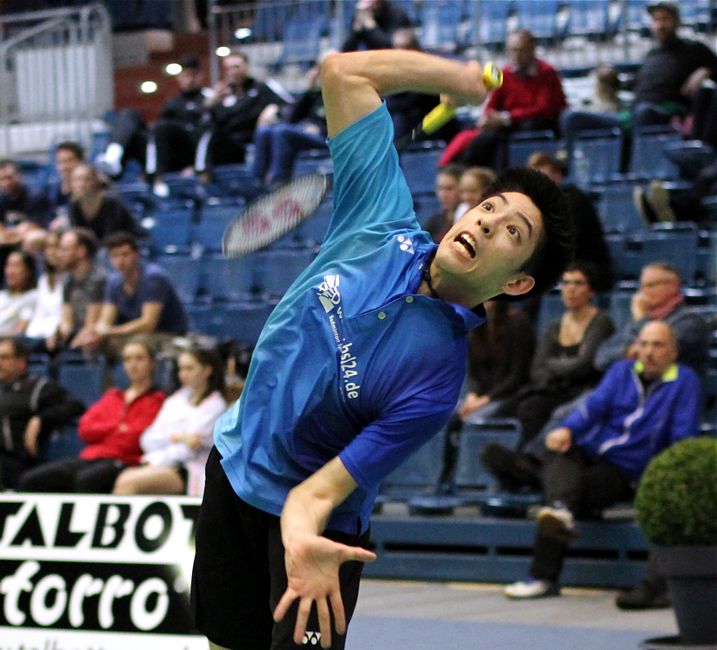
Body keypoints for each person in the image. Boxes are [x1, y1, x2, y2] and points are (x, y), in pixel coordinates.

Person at [191, 48, 575, 650]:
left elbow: (319, 491)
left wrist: (298, 537)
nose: (485, 223)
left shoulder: (433, 383)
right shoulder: (379, 219)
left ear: (517, 282)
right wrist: (457, 80)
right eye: (490, 208)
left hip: (319, 528)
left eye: (511, 233)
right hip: (234, 465)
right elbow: (343, 72)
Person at [503, 320, 702, 599]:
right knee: (559, 454)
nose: (649, 352)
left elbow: (683, 435)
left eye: (658, 345)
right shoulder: (622, 371)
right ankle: (560, 508)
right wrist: (567, 429)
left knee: (560, 491)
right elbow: (593, 408)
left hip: (625, 470)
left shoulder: (684, 381)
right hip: (589, 454)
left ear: (673, 352)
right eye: (644, 344)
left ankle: (542, 573)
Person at [18, 337, 165, 493]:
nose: (133, 365)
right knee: (32, 479)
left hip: (125, 461)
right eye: (128, 359)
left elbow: (136, 439)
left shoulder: (158, 400)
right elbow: (85, 429)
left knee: (87, 480)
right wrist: (117, 427)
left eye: (139, 359)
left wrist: (107, 431)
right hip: (89, 457)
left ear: (152, 363)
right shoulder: (112, 396)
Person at [560, 2, 717, 148]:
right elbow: (637, 85)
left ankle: (634, 169)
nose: (660, 25)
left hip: (667, 115)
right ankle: (565, 169)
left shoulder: (694, 49)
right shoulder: (651, 55)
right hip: (632, 114)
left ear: (677, 21)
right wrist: (611, 79)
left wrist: (705, 71)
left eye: (665, 19)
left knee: (643, 112)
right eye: (656, 20)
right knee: (572, 118)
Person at [499, 262, 614, 446]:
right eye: (566, 283)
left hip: (582, 393)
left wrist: (552, 364)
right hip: (552, 390)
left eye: (578, 283)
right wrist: (563, 365)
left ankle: (536, 459)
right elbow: (537, 369)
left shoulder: (601, 322)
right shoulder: (554, 325)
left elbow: (583, 365)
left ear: (591, 290)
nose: (570, 290)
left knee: (532, 408)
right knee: (505, 410)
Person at [439, 30, 566, 169]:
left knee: (522, 127)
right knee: (486, 135)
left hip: (536, 123)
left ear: (532, 49)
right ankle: (463, 170)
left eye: (520, 50)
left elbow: (544, 108)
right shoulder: (504, 74)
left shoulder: (547, 73)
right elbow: (492, 105)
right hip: (508, 125)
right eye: (512, 50)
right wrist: (488, 118)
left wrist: (507, 118)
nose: (516, 55)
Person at [113, 346, 227, 497]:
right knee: (123, 478)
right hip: (161, 463)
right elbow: (147, 439)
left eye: (189, 368)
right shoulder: (174, 400)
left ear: (207, 370)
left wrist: (161, 453)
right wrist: (178, 437)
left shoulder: (216, 405)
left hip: (191, 470)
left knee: (129, 483)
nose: (183, 374)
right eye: (181, 369)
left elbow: (189, 450)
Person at [96, 55, 210, 196]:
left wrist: (195, 165)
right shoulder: (172, 103)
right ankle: (113, 159)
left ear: (200, 76)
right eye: (183, 76)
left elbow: (208, 134)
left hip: (187, 152)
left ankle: (155, 177)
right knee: (129, 115)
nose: (186, 80)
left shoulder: (209, 98)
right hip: (163, 151)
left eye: (191, 75)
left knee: (161, 129)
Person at [80, 231, 188, 357]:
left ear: (137, 255)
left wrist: (111, 331)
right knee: (94, 346)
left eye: (125, 254)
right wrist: (95, 334)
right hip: (134, 335)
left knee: (137, 346)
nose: (120, 261)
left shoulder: (153, 278)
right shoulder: (113, 282)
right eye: (115, 256)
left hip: (167, 334)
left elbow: (148, 324)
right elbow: (105, 320)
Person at [595, 262, 711, 375]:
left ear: (673, 286)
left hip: (674, 389)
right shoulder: (640, 319)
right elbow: (601, 358)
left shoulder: (690, 322)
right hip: (635, 387)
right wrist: (627, 352)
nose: (643, 292)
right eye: (642, 286)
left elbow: (656, 356)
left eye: (651, 285)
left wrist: (640, 320)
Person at [0, 336, 84, 490]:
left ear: (21, 361)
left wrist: (40, 419)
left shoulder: (38, 387)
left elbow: (75, 405)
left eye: (4, 357)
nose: (0, 363)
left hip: (19, 460)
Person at [528, 152, 613, 291]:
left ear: (558, 176)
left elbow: (568, 241)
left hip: (587, 265)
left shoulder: (573, 199)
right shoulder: (538, 205)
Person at [196, 49, 288, 174]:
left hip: (256, 142)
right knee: (211, 133)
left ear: (247, 66)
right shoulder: (222, 94)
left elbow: (288, 105)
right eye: (228, 68)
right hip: (231, 146)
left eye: (236, 67)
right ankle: (202, 173)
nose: (232, 72)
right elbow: (206, 124)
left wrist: (274, 108)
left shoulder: (261, 87)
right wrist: (209, 106)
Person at [456, 299, 535, 423]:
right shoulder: (476, 325)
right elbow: (473, 373)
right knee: (445, 414)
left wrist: (484, 400)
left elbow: (517, 376)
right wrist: (472, 396)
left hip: (511, 395)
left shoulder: (518, 323)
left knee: (472, 419)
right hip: (482, 395)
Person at [251, 63, 327, 187]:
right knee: (264, 131)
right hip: (304, 132)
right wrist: (309, 88)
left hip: (326, 138)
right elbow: (292, 118)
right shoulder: (314, 94)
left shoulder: (339, 93)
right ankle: (256, 182)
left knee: (282, 131)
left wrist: (320, 128)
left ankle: (279, 182)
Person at [56, 228, 106, 350]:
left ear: (81, 251)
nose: (59, 254)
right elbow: (66, 319)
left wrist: (74, 343)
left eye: (64, 249)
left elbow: (92, 322)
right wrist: (59, 334)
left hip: (96, 334)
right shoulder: (67, 280)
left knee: (87, 345)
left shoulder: (98, 278)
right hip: (77, 333)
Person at [67, 163, 141, 240]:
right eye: (77, 180)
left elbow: (112, 234)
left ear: (95, 181)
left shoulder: (110, 201)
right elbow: (79, 234)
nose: (81, 184)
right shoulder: (74, 204)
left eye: (87, 179)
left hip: (125, 243)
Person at [24, 230, 66, 351]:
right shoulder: (43, 279)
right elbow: (40, 313)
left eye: (57, 247)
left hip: (59, 336)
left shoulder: (72, 279)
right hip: (39, 334)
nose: (51, 252)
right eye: (48, 247)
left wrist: (53, 332)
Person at [340, 0, 411, 52]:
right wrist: (356, 30)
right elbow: (346, 51)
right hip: (373, 63)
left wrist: (371, 27)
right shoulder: (363, 13)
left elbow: (390, 48)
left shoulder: (397, 14)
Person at [0, 160, 50, 232]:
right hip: (10, 235)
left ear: (20, 175)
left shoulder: (35, 196)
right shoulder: (1, 199)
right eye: (2, 179)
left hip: (34, 234)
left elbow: (40, 223)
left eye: (9, 177)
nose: (6, 183)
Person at [0, 251, 38, 336]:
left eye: (16, 266)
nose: (10, 271)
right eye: (8, 265)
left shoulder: (32, 297)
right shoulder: (2, 295)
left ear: (28, 271)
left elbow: (20, 331)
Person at [423, 164, 463, 243]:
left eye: (449, 188)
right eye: (440, 188)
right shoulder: (433, 222)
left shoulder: (469, 219)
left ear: (462, 189)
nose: (443, 195)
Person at [47, 141, 84, 222]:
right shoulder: (52, 191)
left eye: (69, 161)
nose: (64, 166)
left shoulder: (91, 190)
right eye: (60, 162)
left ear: (81, 162)